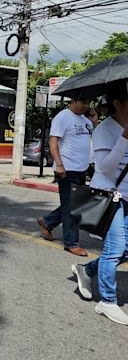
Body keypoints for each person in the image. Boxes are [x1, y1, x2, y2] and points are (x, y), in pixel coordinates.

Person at [71, 80, 128, 325]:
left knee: (125, 250)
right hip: (111, 196)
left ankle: (86, 270)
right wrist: (126, 137)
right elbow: (105, 168)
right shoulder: (106, 130)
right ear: (118, 103)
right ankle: (107, 301)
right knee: (114, 250)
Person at [37, 98, 93, 256]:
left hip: (81, 168)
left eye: (88, 103)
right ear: (74, 101)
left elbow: (90, 137)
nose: (86, 105)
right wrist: (59, 164)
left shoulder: (84, 119)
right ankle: (71, 243)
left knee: (74, 203)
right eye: (84, 102)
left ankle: (48, 221)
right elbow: (53, 141)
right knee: (71, 206)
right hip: (66, 169)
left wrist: (93, 121)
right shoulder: (62, 117)